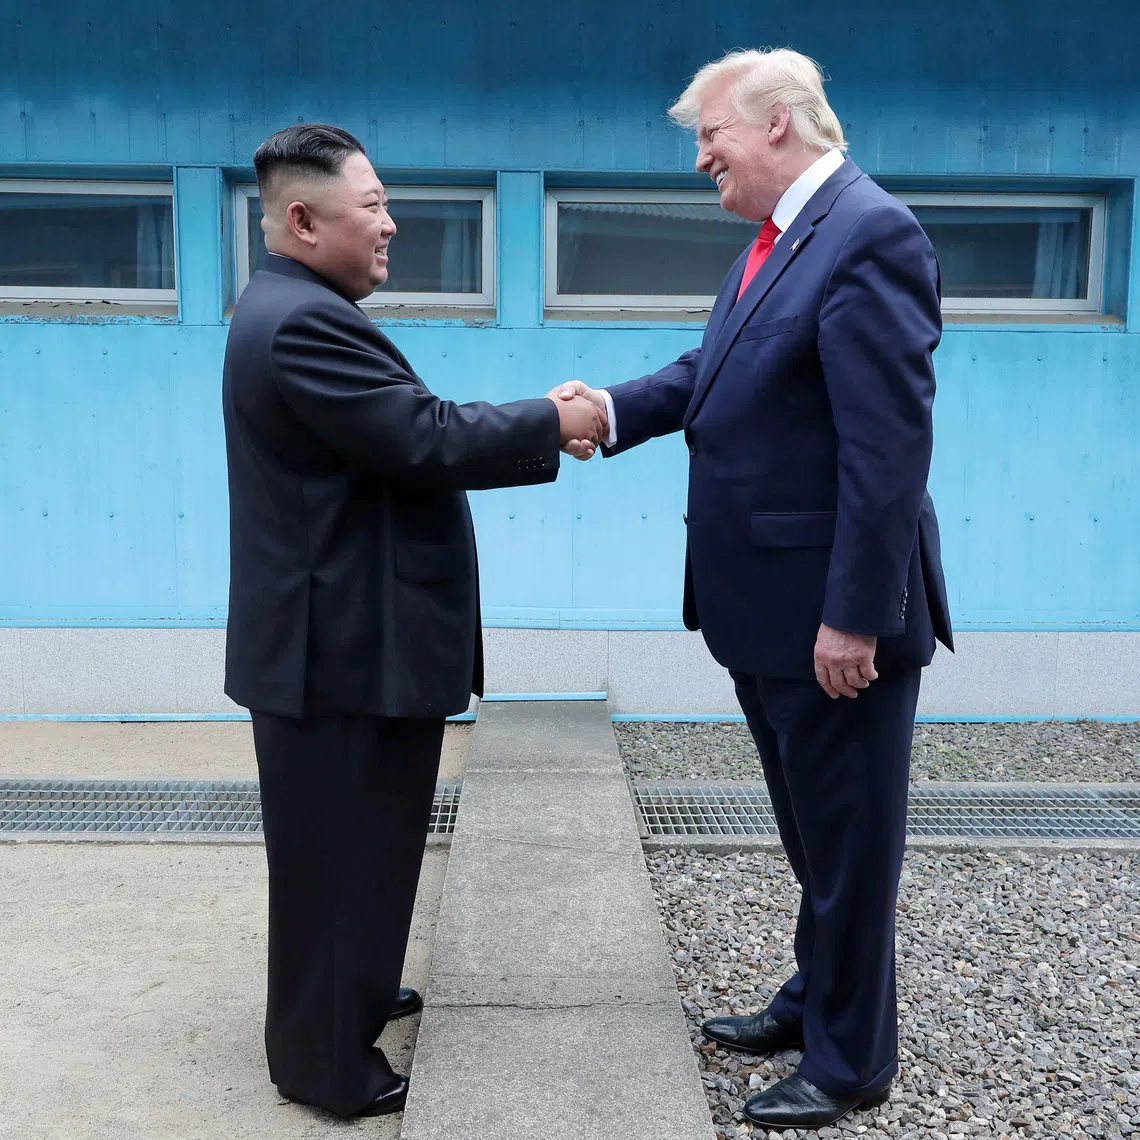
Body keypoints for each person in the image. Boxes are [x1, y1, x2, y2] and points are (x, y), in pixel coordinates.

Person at [560, 49, 953, 1130]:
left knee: (850, 846)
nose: (701, 158)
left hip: (829, 619)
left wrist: (855, 616)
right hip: (764, 610)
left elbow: (887, 452)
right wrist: (607, 408)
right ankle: (810, 999)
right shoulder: (776, 245)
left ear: (777, 124)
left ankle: (852, 1059)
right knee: (813, 836)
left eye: (710, 135)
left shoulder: (872, 234)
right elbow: (708, 375)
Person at [221, 123, 604, 1119]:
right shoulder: (301, 321)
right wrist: (551, 419)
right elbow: (419, 437)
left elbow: (397, 436)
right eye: (373, 207)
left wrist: (533, 417)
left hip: (345, 643)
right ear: (303, 221)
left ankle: (354, 994)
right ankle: (326, 1068)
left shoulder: (295, 306)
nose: (392, 225)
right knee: (341, 859)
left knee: (361, 849)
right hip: (339, 652)